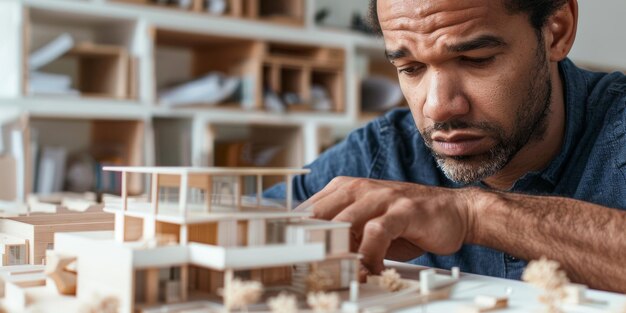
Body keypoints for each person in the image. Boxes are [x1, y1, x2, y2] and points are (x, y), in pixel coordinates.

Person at [264, 0, 626, 293]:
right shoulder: (384, 150)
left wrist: (473, 215)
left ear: (556, 31)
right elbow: (254, 221)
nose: (437, 106)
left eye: (475, 59)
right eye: (410, 68)